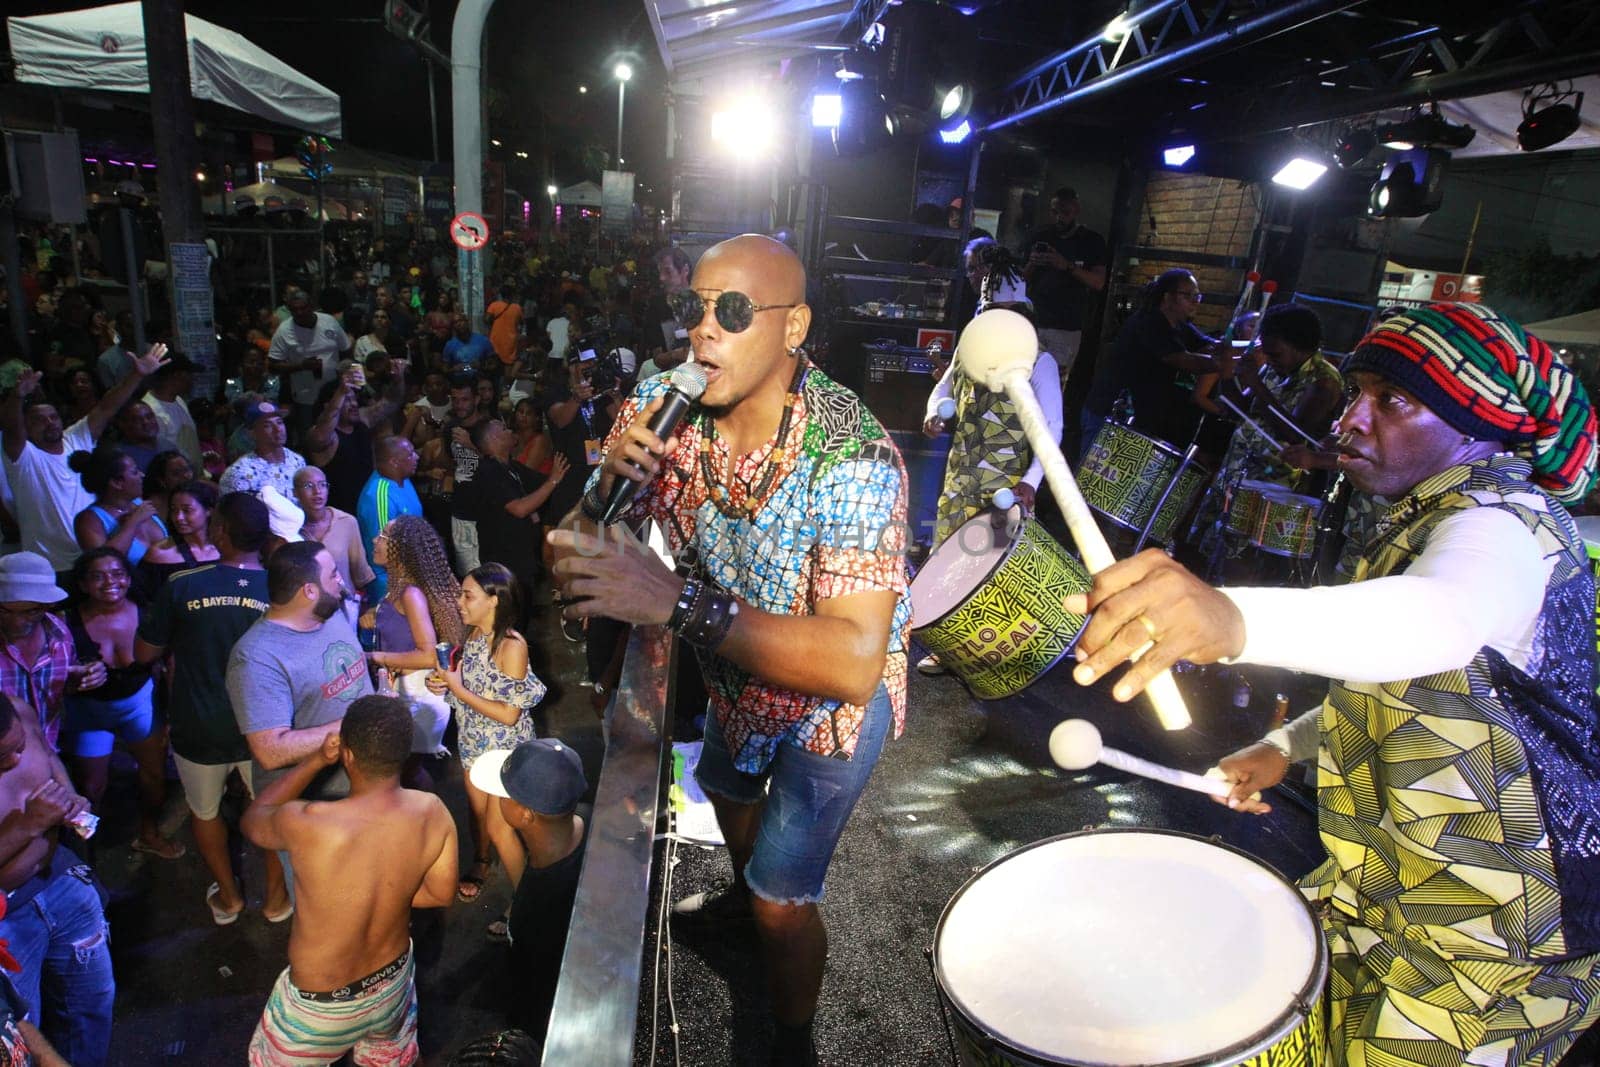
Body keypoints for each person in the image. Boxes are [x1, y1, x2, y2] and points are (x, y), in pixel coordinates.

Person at [1065, 302, 1600, 1067]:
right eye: (1356, 393)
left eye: (1392, 400)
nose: (1349, 419)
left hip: (1490, 941)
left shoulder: (1505, 524)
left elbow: (1437, 618)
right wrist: (1285, 744)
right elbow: (1411, 683)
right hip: (1389, 896)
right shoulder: (1423, 520)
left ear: (1478, 425)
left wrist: (1230, 617)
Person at [549, 234, 910, 1066]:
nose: (703, 332)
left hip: (831, 706)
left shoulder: (851, 453)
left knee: (785, 900)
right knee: (723, 785)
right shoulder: (657, 408)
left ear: (793, 328)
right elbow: (567, 555)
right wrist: (601, 493)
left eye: (734, 311)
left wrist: (673, 599)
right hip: (734, 670)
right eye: (695, 308)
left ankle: (790, 1038)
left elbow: (853, 660)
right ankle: (741, 907)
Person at [241, 695, 457, 1067]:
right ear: (404, 755)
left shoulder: (309, 823)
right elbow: (440, 893)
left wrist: (314, 761)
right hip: (391, 986)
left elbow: (254, 818)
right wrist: (387, 892)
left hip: (318, 1008)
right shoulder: (432, 812)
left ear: (348, 755)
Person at [136, 492, 289, 925]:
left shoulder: (183, 584)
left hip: (198, 724)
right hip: (265, 729)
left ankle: (229, 897)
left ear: (219, 531)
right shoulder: (280, 588)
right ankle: (277, 900)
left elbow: (144, 652)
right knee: (273, 813)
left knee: (205, 812)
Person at [917, 241, 1060, 675]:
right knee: (949, 555)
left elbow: (1051, 429)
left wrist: (1031, 482)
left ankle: (996, 655)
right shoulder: (968, 350)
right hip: (960, 478)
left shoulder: (1041, 361)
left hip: (1005, 485)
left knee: (992, 568)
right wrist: (932, 412)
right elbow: (943, 389)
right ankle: (948, 647)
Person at [0, 694, 113, 1066]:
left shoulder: (20, 710)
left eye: (18, 748)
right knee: (19, 1035)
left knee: (91, 1004)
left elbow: (48, 757)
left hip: (61, 882)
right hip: (7, 921)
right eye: (1, 758)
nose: (15, 761)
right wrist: (30, 823)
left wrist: (69, 795)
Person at [426, 563, 543, 908]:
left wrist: (457, 690)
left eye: (467, 595)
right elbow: (473, 690)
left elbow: (509, 714)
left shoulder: (512, 647)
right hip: (474, 743)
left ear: (494, 601)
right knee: (479, 818)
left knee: (500, 828)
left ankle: (527, 907)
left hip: (504, 752)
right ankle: (484, 864)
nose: (459, 602)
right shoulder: (475, 635)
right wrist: (444, 688)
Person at [2, 344, 169, 581]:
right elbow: (11, 428)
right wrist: (17, 397)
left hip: (94, 557)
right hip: (52, 566)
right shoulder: (23, 456)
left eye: (53, 417)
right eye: (39, 420)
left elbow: (106, 407)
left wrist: (137, 375)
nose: (49, 423)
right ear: (27, 427)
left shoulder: (76, 438)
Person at [228, 541, 373, 811]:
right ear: (309, 591)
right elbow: (270, 751)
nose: (341, 581)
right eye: (333, 574)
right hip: (311, 809)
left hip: (361, 789)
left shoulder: (327, 613)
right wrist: (363, 722)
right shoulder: (257, 658)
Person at [61, 547, 184, 858]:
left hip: (138, 704)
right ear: (83, 584)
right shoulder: (66, 623)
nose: (109, 583)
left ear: (129, 579)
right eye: (98, 577)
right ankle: (84, 855)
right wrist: (72, 678)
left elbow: (171, 659)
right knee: (92, 787)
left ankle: (148, 833)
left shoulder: (148, 612)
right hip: (88, 712)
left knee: (154, 775)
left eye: (117, 574)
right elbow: (50, 673)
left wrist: (173, 711)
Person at [470, 738, 587, 1041]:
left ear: (525, 815)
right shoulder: (587, 819)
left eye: (504, 795)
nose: (497, 800)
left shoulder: (542, 907)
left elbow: (540, 992)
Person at [1079, 269, 1216, 456]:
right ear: (1167, 298)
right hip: (1110, 414)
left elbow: (1210, 347)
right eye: (1188, 295)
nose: (1195, 301)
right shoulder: (1149, 322)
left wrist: (1249, 348)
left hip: (1134, 416)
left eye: (1197, 296)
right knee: (1093, 480)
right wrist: (1223, 364)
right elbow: (1182, 359)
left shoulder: (1179, 324)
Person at [365, 514, 462, 765]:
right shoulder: (399, 587)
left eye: (383, 536)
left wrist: (374, 657)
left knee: (408, 776)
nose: (375, 540)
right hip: (406, 694)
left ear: (401, 550)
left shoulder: (411, 593)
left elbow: (428, 654)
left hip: (417, 699)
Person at [0, 553, 106, 750]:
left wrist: (81, 678)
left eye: (30, 611)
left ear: (48, 605)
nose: (17, 622)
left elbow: (59, 690)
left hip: (47, 748)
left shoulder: (59, 633)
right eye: (5, 611)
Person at [471, 419, 569, 599]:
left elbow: (544, 485)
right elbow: (520, 509)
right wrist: (553, 480)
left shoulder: (512, 467)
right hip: (505, 565)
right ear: (494, 438)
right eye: (504, 428)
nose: (511, 431)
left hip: (522, 561)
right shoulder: (489, 471)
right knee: (509, 618)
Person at [1022, 186, 1107, 381]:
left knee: (1053, 384)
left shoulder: (1091, 241)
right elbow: (1020, 280)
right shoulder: (1041, 236)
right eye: (1055, 212)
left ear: (1076, 210)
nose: (1059, 217)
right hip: (1034, 321)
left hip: (1066, 326)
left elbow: (1098, 283)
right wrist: (1032, 263)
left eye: (1065, 212)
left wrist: (1066, 266)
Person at [294, 467, 374, 626]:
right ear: (295, 493)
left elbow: (361, 574)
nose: (317, 491)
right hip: (305, 614)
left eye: (322, 485)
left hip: (343, 612)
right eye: (308, 486)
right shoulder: (290, 528)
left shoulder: (347, 522)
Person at [69, 447, 169, 568]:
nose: (142, 475)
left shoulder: (140, 503)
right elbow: (104, 563)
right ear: (117, 483)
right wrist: (133, 522)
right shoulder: (89, 520)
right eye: (135, 472)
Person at [269, 287, 352, 431]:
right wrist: (302, 365)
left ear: (312, 306)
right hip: (306, 398)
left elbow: (345, 349)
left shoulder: (329, 321)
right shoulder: (284, 331)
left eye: (303, 308)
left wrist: (343, 371)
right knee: (310, 436)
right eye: (295, 310)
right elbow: (273, 365)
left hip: (334, 394)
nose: (300, 313)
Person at [356, 435, 423, 603]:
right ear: (394, 462)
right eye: (410, 454)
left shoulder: (403, 479)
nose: (416, 457)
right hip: (389, 581)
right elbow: (384, 551)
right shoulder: (380, 496)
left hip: (410, 571)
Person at [139, 479, 222, 594]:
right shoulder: (159, 553)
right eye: (174, 510)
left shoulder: (228, 548)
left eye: (187, 510)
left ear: (208, 511)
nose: (178, 517)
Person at [219, 401, 306, 498]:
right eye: (267, 425)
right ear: (252, 433)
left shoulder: (297, 461)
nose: (278, 429)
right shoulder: (239, 473)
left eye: (279, 422)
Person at [140, 355, 203, 472]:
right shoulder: (150, 411)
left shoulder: (178, 400)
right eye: (190, 375)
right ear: (176, 376)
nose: (193, 380)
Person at [140, 450, 194, 529]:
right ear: (161, 480)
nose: (186, 476)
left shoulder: (197, 492)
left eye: (187, 469)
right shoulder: (153, 508)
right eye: (176, 473)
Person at [110, 399, 162, 474]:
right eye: (137, 420)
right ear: (122, 424)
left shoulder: (168, 444)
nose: (146, 422)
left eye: (149, 416)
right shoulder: (120, 458)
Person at [485, 284, 524, 371]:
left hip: (495, 339)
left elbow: (487, 319)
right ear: (512, 295)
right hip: (510, 341)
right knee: (508, 366)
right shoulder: (517, 308)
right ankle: (507, 384)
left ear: (501, 294)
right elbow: (521, 322)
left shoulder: (494, 305)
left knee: (493, 366)